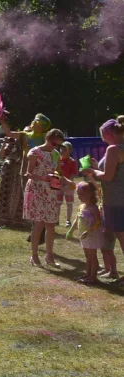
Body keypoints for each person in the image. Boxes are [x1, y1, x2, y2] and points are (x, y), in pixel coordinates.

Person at [81, 117, 124, 283]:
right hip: (115, 199)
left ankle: (112, 270)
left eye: (103, 136)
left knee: (121, 238)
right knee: (113, 237)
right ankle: (111, 270)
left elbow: (108, 176)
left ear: (109, 134)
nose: (103, 139)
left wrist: (91, 171)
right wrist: (97, 168)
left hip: (116, 201)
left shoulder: (113, 149)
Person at [24, 128, 68, 268]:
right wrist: (44, 177)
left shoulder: (55, 154)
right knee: (39, 224)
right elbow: (28, 173)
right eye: (54, 143)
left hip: (51, 191)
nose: (55, 147)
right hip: (37, 190)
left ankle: (49, 256)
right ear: (48, 139)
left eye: (58, 145)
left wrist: (67, 181)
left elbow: (59, 172)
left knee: (50, 224)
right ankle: (34, 255)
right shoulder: (35, 152)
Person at [71, 181, 103, 284]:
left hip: (91, 235)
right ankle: (87, 274)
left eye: (81, 194)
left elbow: (98, 222)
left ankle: (93, 277)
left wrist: (89, 231)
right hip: (83, 235)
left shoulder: (93, 208)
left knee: (92, 256)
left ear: (89, 194)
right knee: (87, 256)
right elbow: (77, 220)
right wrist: (71, 230)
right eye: (78, 194)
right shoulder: (81, 206)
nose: (79, 197)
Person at [0, 136, 29, 229]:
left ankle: (18, 221)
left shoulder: (30, 146)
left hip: (20, 172)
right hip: (8, 172)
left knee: (19, 196)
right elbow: (2, 156)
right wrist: (4, 143)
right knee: (5, 195)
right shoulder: (11, 143)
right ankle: (3, 220)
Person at [57, 141, 78, 227]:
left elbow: (73, 174)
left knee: (69, 204)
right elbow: (56, 172)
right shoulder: (58, 160)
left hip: (69, 186)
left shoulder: (72, 161)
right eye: (61, 148)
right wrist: (59, 183)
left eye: (65, 149)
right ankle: (56, 220)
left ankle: (68, 221)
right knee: (58, 203)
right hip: (58, 185)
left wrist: (67, 184)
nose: (62, 150)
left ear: (70, 151)